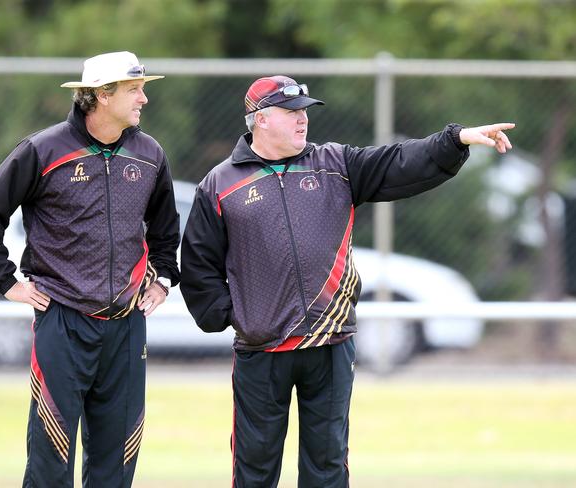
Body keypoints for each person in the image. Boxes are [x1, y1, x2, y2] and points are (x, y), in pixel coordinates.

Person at [180, 75, 514, 488]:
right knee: (254, 468)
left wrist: (455, 140)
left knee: (327, 466)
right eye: (291, 112)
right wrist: (235, 316)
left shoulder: (335, 164)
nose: (303, 120)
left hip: (332, 343)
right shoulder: (220, 184)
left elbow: (398, 161)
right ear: (260, 119)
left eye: (305, 111)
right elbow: (198, 264)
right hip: (261, 349)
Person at [0, 51, 180, 487]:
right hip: (62, 320)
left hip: (126, 325)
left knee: (118, 456)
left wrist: (164, 277)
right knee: (51, 455)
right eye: (134, 90)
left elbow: (165, 228)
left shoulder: (149, 153)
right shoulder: (43, 149)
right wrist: (6, 282)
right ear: (102, 95)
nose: (144, 99)